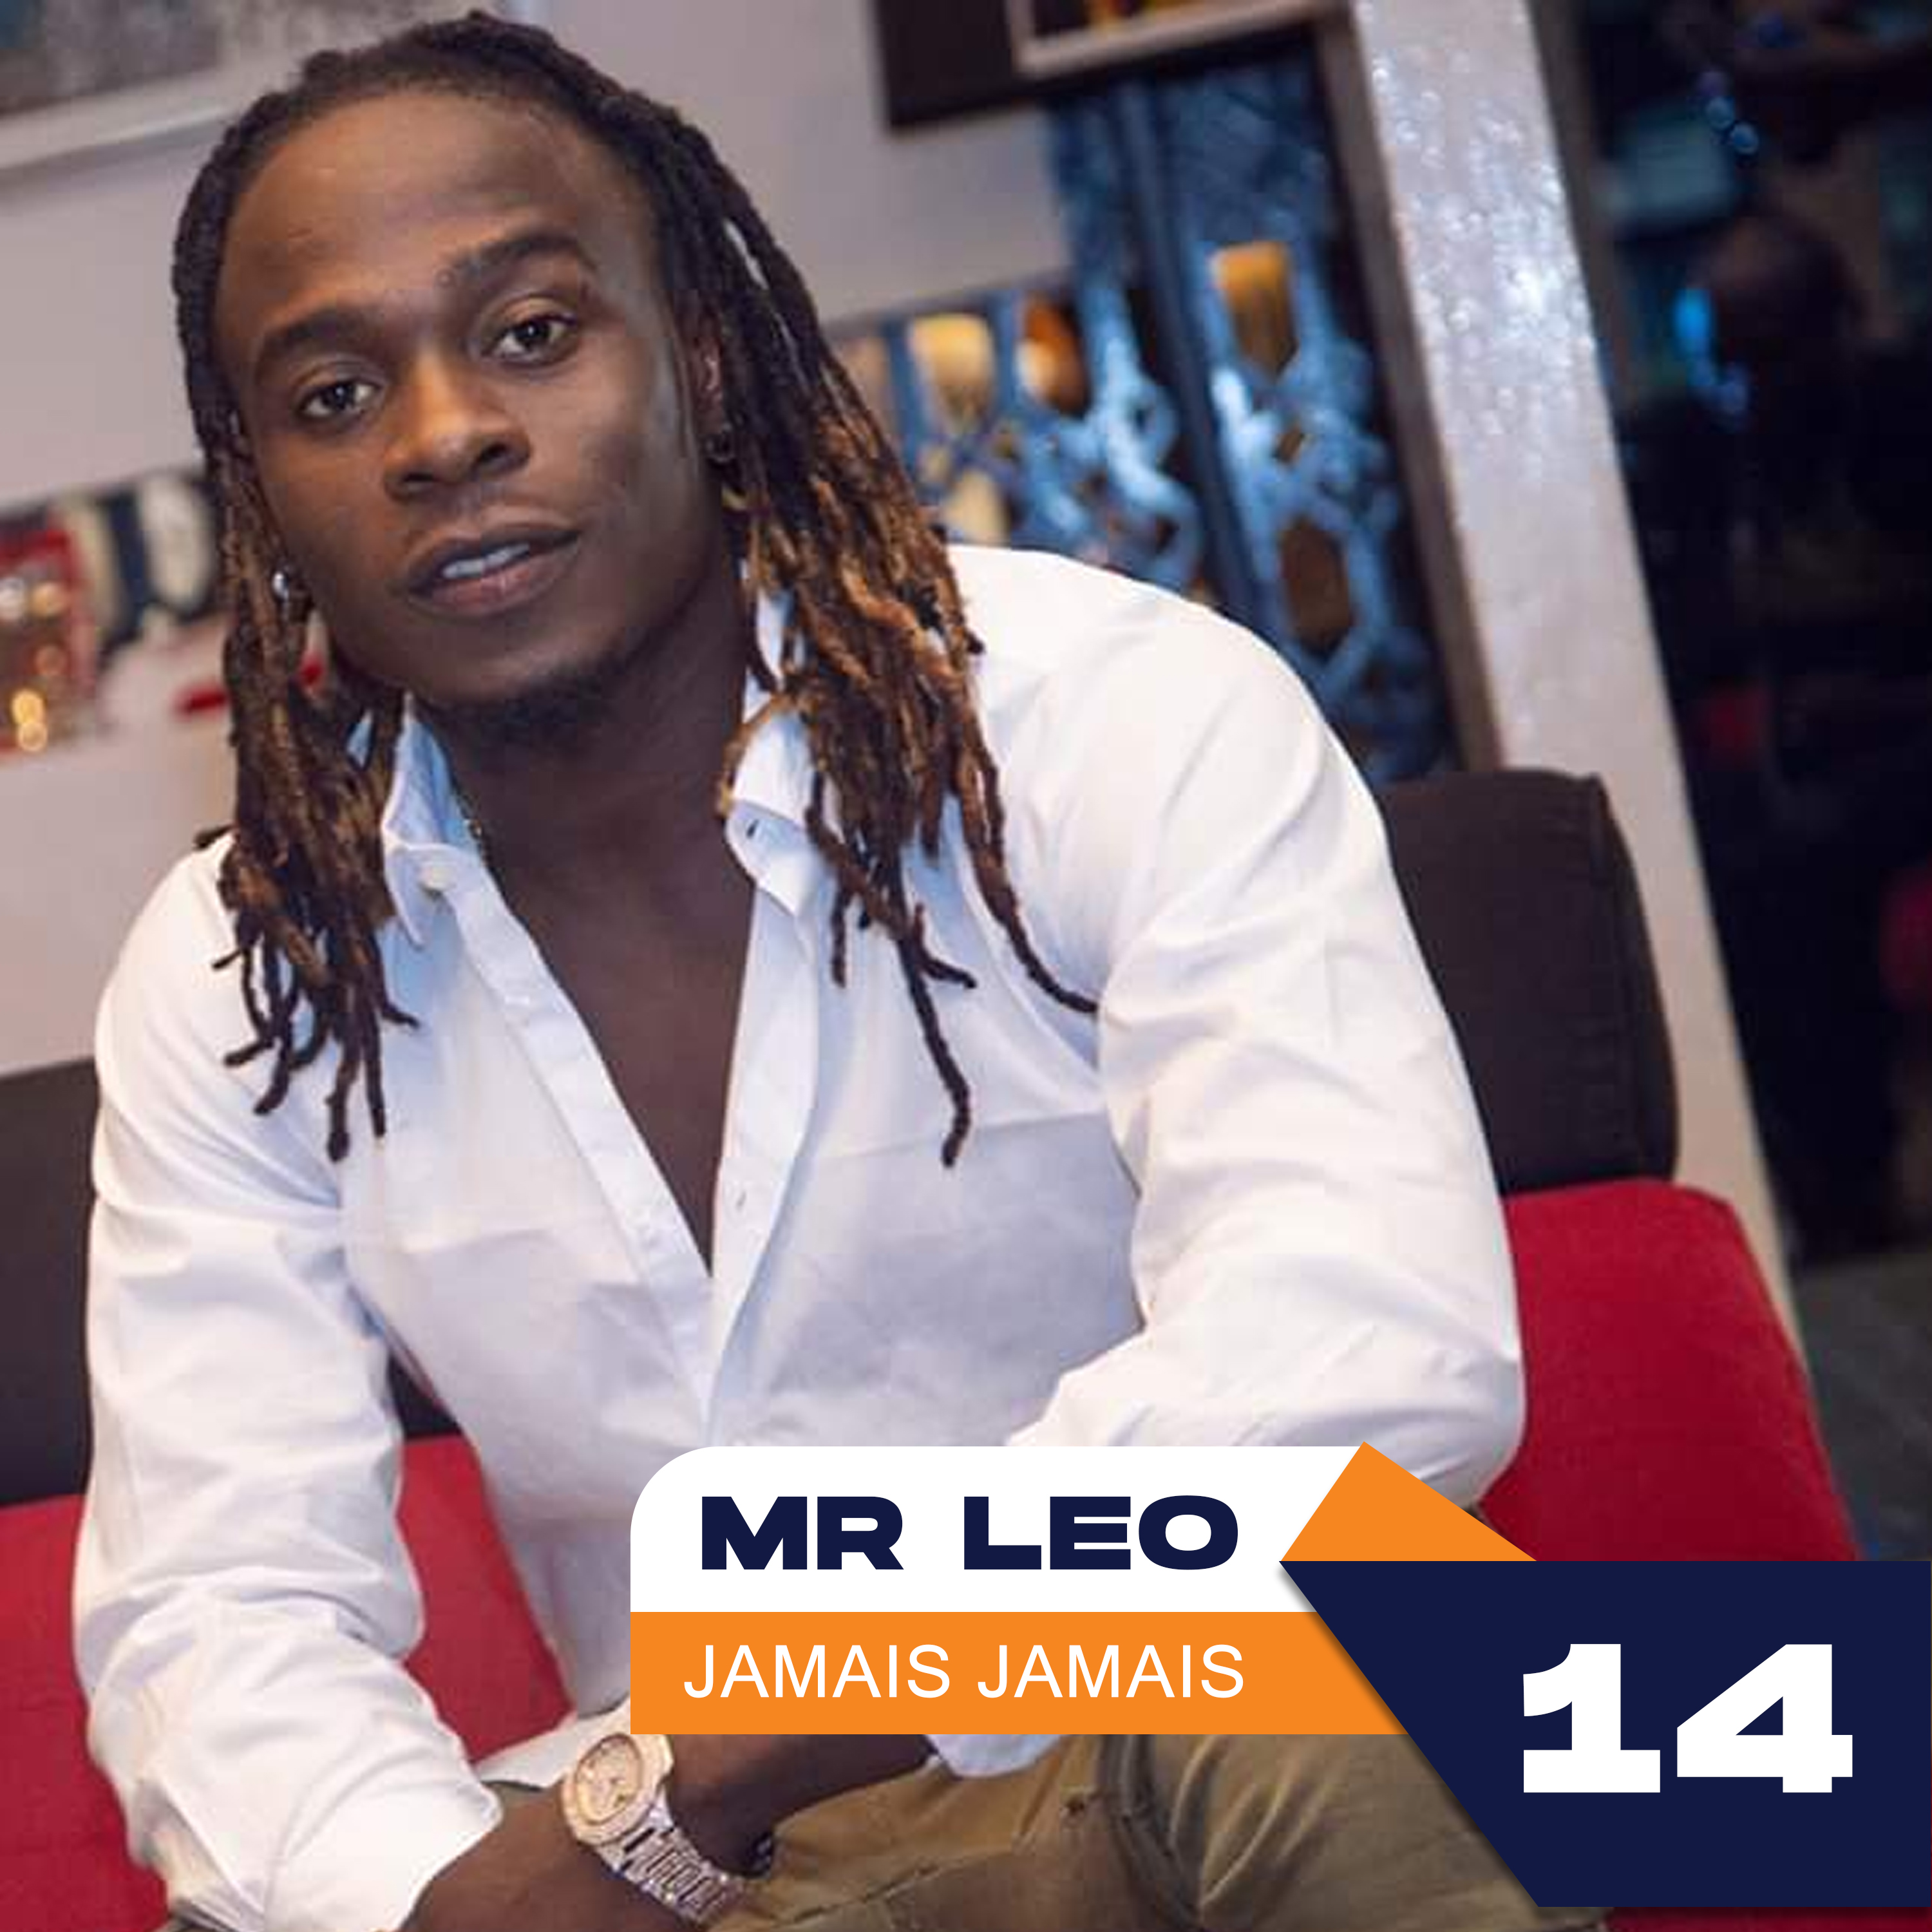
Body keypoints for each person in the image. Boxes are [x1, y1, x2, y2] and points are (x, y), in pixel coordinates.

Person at [73, 15, 1598, 1932]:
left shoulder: (1113, 720)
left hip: (1178, 1711)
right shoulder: (241, 974)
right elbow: (222, 1607)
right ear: (264, 491)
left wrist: (750, 1729)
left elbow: (1365, 1354)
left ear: (701, 356)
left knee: (1397, 1658)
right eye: (333, 393)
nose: (442, 432)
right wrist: (451, 1903)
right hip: (695, 1874)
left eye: (532, 331)